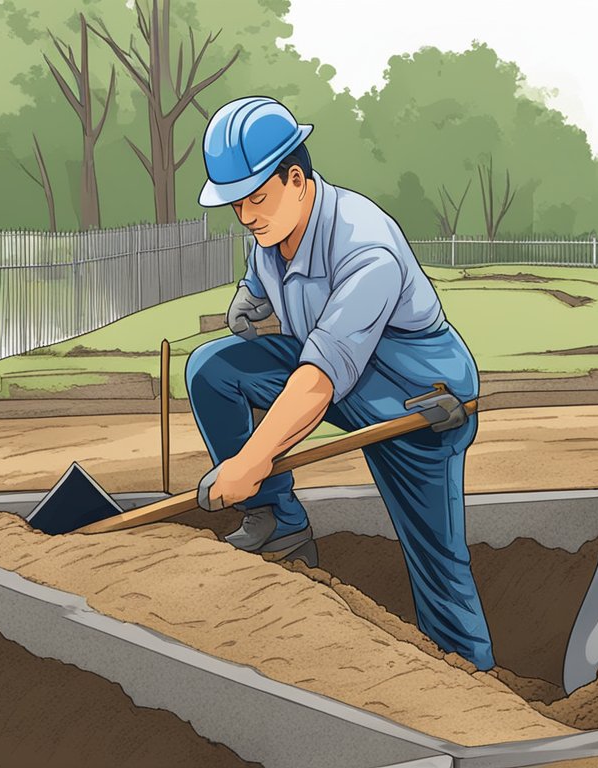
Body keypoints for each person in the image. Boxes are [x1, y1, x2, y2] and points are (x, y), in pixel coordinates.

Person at [186, 95, 495, 670]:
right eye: (237, 205)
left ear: (296, 178)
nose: (248, 215)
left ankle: (470, 684)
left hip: (419, 399)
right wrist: (248, 302)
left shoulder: (364, 246)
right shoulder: (274, 232)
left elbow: (319, 380)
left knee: (438, 564)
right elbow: (263, 281)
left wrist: (250, 461)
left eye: (257, 197)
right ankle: (278, 522)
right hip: (336, 372)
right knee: (213, 370)